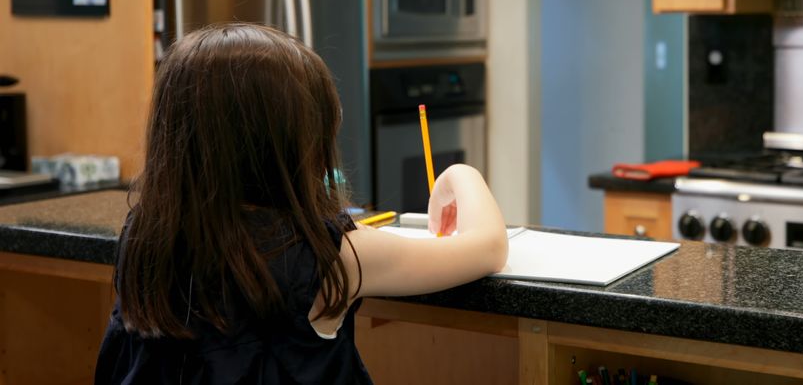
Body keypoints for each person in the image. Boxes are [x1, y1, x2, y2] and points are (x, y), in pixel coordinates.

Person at [95, 23, 508, 384]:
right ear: (294, 144)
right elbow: (489, 247)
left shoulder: (144, 239)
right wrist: (460, 174)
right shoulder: (332, 256)